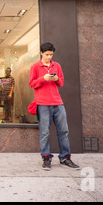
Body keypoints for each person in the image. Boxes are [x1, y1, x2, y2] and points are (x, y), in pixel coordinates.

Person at [29, 42, 79, 170]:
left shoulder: (57, 66)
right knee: (45, 132)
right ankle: (46, 158)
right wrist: (43, 79)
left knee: (64, 131)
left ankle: (65, 158)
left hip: (58, 102)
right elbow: (32, 84)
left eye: (51, 54)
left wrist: (56, 78)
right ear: (41, 53)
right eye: (46, 54)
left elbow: (61, 83)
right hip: (43, 104)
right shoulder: (35, 67)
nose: (49, 57)